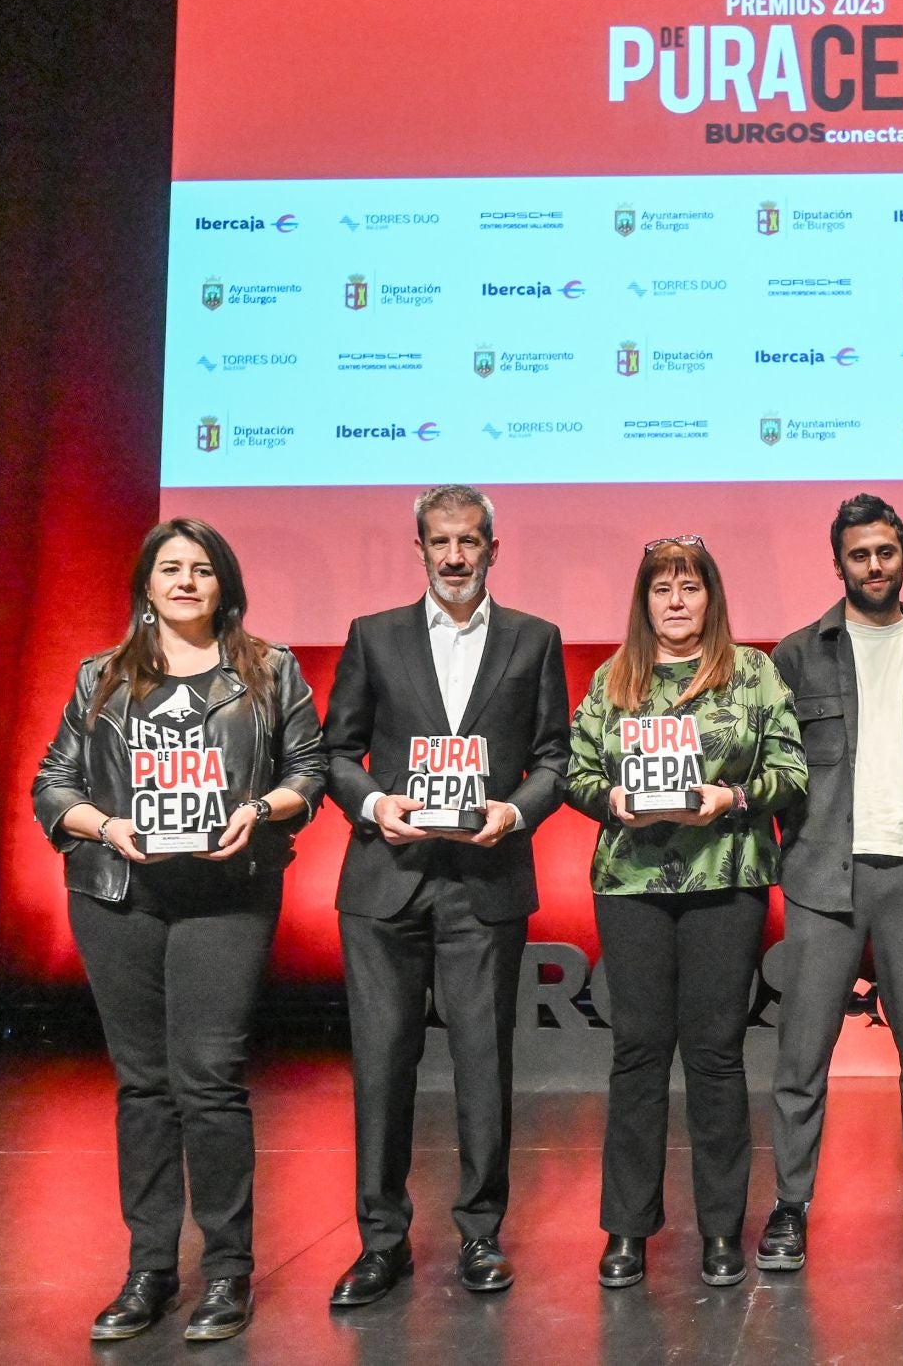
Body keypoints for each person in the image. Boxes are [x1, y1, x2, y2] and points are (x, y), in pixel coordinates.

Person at [32, 519, 326, 1342]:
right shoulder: (99, 677)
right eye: (172, 568)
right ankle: (150, 1269)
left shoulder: (269, 672)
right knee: (144, 1083)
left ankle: (228, 1271)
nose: (187, 581)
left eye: (203, 569)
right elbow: (52, 782)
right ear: (147, 585)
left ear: (225, 585)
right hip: (117, 890)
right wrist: (104, 824)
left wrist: (261, 809)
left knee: (209, 1076)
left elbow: (309, 766)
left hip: (226, 892)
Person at [323, 485, 570, 1306]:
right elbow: (338, 751)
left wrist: (513, 811)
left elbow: (555, 759)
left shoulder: (535, 639)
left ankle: (480, 1234)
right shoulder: (374, 635)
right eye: (441, 541)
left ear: (493, 548)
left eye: (470, 540)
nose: (455, 555)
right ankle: (381, 1242)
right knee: (382, 1068)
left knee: (482, 1063)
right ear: (420, 548)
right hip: (385, 883)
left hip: (485, 882)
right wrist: (373, 803)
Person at [567, 536, 806, 1290]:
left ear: (712, 596)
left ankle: (721, 1231)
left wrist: (731, 798)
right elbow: (574, 769)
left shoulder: (755, 672)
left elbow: (792, 771)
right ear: (643, 600)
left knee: (714, 1054)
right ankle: (627, 1231)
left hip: (725, 877)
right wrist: (610, 799)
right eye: (662, 588)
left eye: (690, 586)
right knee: (637, 1052)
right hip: (630, 883)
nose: (676, 600)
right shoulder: (612, 678)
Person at [756, 494, 903, 1272]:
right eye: (860, 554)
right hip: (823, 879)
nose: (874, 565)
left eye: (886, 551)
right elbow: (780, 771)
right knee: (802, 1056)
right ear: (839, 562)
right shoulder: (794, 656)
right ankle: (791, 1206)